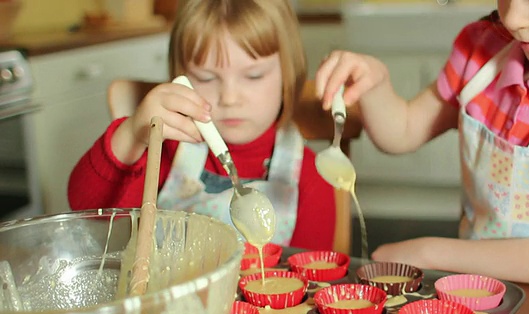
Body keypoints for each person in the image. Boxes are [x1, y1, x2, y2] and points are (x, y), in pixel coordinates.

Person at [315, 0, 529, 284]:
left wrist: (427, 253)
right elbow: (402, 131)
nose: (512, 18)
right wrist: (375, 83)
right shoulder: (483, 49)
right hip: (477, 290)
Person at [68, 0, 336, 251]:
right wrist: (132, 135)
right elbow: (87, 211)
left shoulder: (309, 178)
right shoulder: (167, 154)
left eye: (253, 76)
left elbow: (309, 280)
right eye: (207, 78)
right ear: (180, 77)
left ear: (288, 77)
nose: (230, 98)